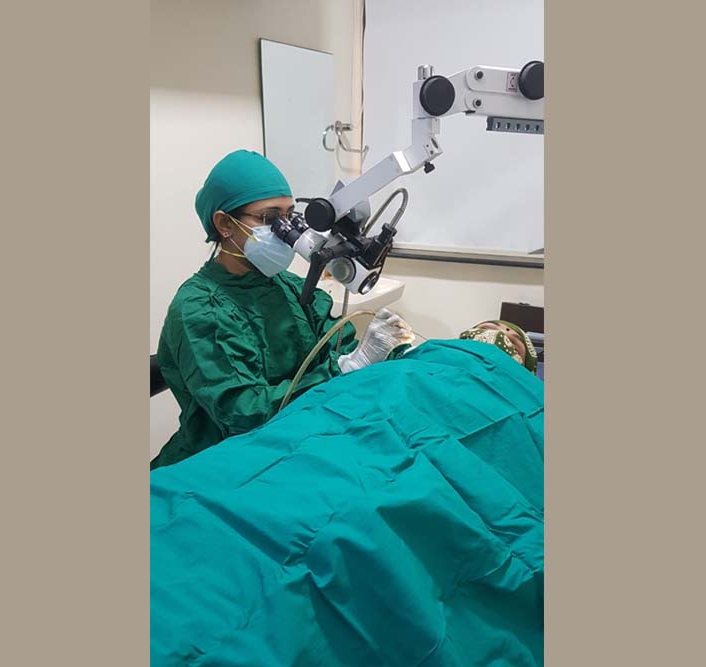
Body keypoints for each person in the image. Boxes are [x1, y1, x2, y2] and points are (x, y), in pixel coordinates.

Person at [151, 325, 544, 666]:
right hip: (304, 441)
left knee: (369, 521)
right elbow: (257, 408)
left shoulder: (523, 398)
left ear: (524, 367)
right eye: (493, 327)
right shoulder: (415, 363)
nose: (500, 336)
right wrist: (360, 365)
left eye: (514, 339)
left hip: (392, 468)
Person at [152, 150, 413, 469]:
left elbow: (337, 347)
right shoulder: (199, 309)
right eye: (269, 218)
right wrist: (346, 368)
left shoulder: (289, 286)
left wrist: (387, 354)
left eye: (290, 216)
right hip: (222, 463)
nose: (284, 229)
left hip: (297, 440)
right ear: (224, 224)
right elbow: (243, 414)